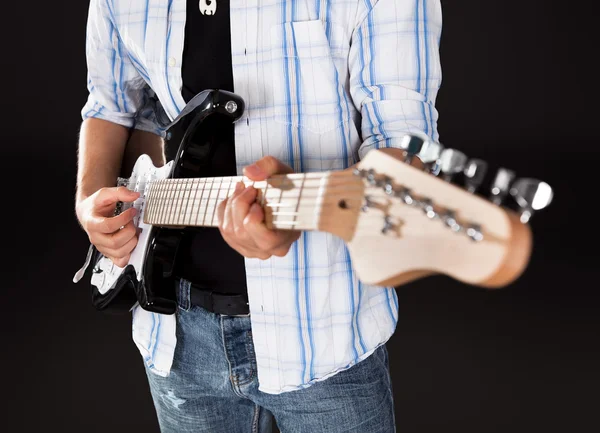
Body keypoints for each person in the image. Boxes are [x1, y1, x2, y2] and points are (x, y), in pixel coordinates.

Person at [75, 0, 443, 431]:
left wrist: (295, 215)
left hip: (323, 331)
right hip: (176, 339)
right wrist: (89, 201)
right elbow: (108, 105)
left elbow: (404, 144)